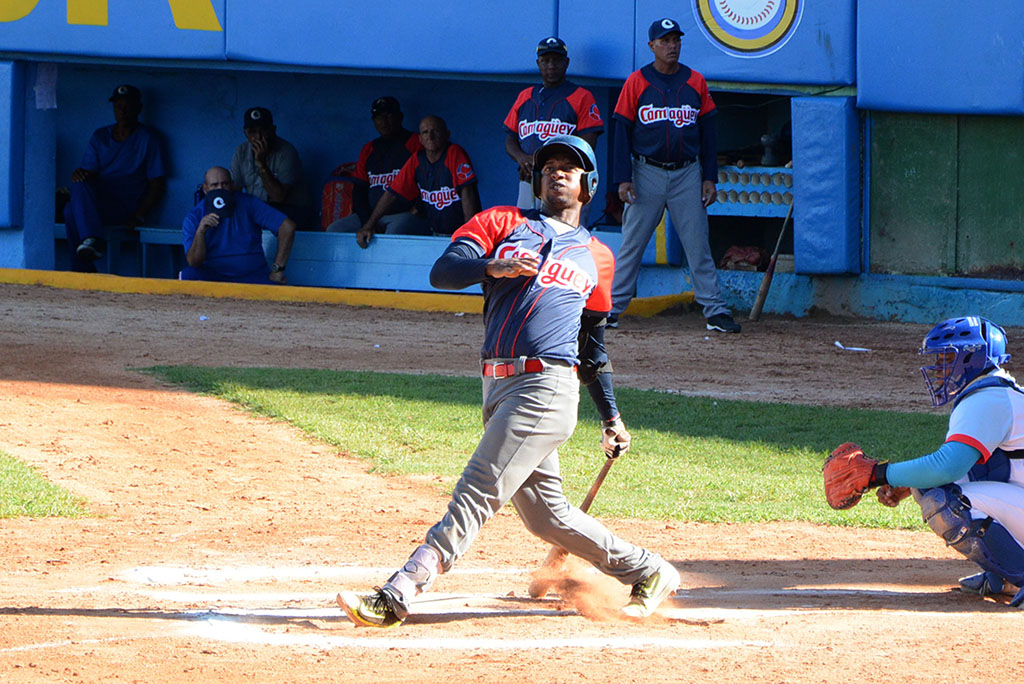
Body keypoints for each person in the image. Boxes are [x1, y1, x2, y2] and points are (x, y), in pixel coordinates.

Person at [337, 135, 679, 628]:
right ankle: (649, 570)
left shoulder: (598, 256)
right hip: (496, 385)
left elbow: (592, 349)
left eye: (570, 167)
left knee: (477, 490)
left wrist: (612, 417)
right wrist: (489, 265)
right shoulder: (504, 223)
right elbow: (443, 270)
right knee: (547, 517)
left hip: (547, 387)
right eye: (548, 167)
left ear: (588, 184)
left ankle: (399, 591)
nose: (557, 173)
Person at [827, 316, 1024, 607]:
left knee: (945, 502)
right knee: (928, 489)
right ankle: (1005, 577)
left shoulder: (989, 399)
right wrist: (909, 481)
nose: (940, 368)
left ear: (972, 357)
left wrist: (879, 474)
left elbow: (948, 465)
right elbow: (981, 465)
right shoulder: (992, 393)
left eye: (947, 358)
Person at [609, 18, 740, 334]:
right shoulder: (637, 82)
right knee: (632, 245)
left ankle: (714, 310)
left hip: (687, 173)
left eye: (676, 40)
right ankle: (610, 309)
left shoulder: (695, 81)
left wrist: (710, 177)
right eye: (665, 41)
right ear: (652, 45)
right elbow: (621, 130)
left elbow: (709, 131)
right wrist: (622, 178)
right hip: (646, 171)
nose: (672, 45)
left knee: (698, 245)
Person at [64, 84, 166, 272]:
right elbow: (89, 173)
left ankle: (83, 267)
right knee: (73, 200)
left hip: (125, 206)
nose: (122, 111)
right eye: (118, 106)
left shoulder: (148, 139)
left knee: (72, 211)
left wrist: (139, 215)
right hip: (99, 203)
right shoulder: (101, 136)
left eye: (127, 106)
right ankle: (91, 244)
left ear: (138, 108)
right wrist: (81, 174)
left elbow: (157, 183)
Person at [503, 36, 604, 210]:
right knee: (525, 229)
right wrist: (521, 158)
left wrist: (557, 165)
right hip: (529, 178)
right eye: (546, 60)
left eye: (556, 60)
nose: (551, 65)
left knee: (562, 230)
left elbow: (588, 142)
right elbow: (511, 138)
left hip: (564, 181)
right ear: (538, 63)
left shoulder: (582, 96)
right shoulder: (525, 96)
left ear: (566, 63)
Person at [357, 115, 481, 247]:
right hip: (436, 234)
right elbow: (391, 193)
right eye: (425, 132)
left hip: (461, 234)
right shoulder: (417, 159)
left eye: (436, 131)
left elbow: (468, 194)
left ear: (447, 134)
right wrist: (369, 225)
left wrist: (469, 236)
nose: (430, 136)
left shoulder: (454, 153)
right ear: (420, 139)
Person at [326, 96, 425, 235]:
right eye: (379, 117)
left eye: (389, 115)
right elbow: (359, 191)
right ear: (374, 121)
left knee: (394, 232)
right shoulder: (369, 149)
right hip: (372, 216)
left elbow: (430, 179)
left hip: (403, 215)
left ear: (400, 117)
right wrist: (368, 222)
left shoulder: (416, 143)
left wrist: (419, 208)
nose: (384, 121)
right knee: (335, 230)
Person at [181, 166, 296, 284]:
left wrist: (277, 270)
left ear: (232, 185)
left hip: (252, 277)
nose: (220, 188)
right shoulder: (195, 216)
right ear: (205, 189)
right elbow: (194, 262)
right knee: (188, 274)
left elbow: (287, 227)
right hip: (214, 278)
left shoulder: (248, 203)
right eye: (214, 185)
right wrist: (200, 232)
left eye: (225, 184)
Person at [230, 107, 313, 227]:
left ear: (273, 130)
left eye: (263, 130)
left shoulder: (286, 151)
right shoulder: (241, 152)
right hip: (258, 208)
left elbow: (278, 197)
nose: (258, 137)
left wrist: (262, 164)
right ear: (245, 133)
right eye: (252, 131)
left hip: (290, 210)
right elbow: (235, 191)